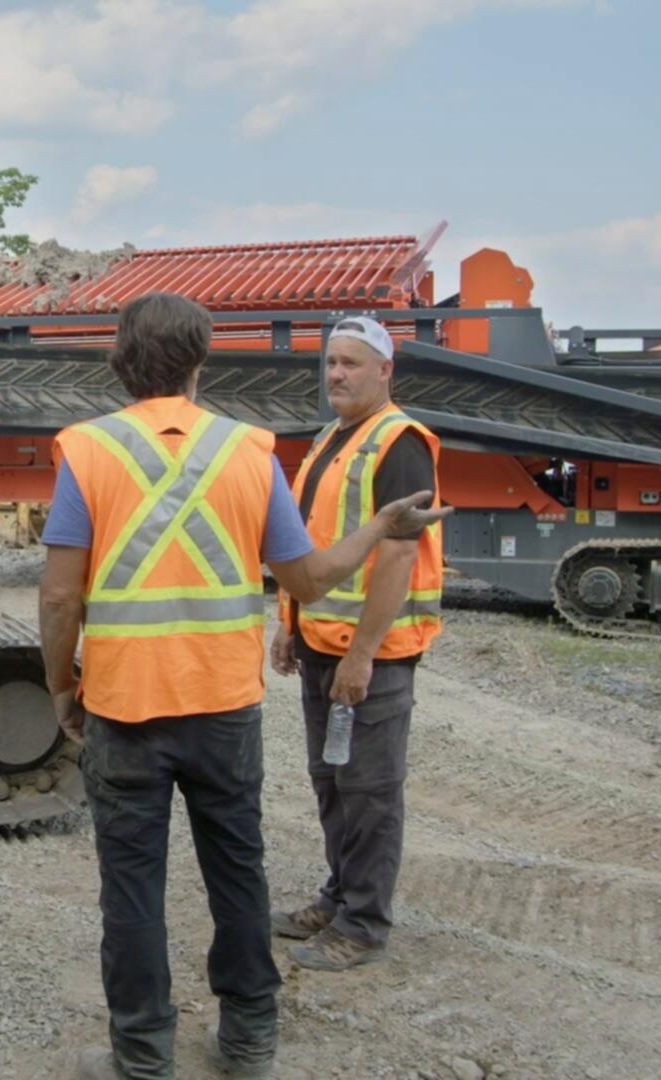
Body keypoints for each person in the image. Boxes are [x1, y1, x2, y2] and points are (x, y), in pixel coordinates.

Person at [38, 294, 450, 1080]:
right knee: (238, 874)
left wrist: (61, 688)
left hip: (124, 708)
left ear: (122, 358)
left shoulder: (86, 452)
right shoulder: (248, 451)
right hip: (223, 707)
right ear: (200, 362)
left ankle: (144, 1054)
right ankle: (250, 1039)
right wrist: (378, 529)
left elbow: (60, 598)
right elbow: (312, 579)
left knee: (131, 888)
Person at [269, 315, 443, 973]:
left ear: (384, 371)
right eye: (331, 362)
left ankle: (363, 925)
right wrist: (291, 620)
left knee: (368, 790)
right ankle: (338, 897)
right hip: (322, 644)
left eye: (351, 363)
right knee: (332, 782)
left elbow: (396, 558)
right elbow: (315, 545)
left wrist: (363, 654)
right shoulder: (336, 438)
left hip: (370, 657)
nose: (336, 373)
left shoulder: (398, 443)